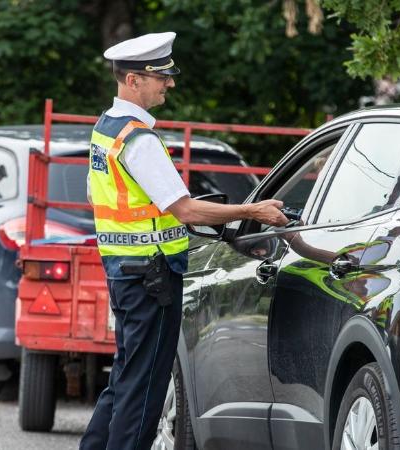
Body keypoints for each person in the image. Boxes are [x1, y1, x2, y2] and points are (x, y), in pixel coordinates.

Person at [80, 32, 287, 450]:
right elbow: (187, 210)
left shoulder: (107, 128)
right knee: (144, 392)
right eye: (161, 77)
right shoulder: (138, 140)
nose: (170, 83)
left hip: (125, 272)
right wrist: (253, 211)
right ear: (134, 80)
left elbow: (96, 196)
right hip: (151, 278)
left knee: (124, 379)